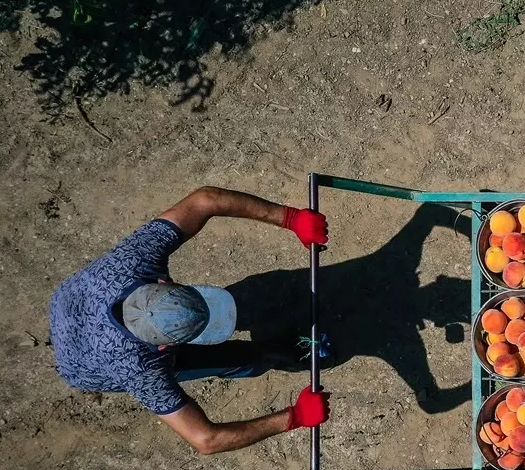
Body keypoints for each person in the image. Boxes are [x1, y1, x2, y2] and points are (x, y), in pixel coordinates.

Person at [49, 186, 331, 454]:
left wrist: (291, 218)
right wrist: (292, 418)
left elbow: (206, 199)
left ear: (160, 282)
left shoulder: (134, 262)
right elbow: (205, 439)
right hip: (82, 364)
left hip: (68, 300)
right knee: (233, 360)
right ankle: (286, 352)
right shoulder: (142, 370)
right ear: (164, 348)